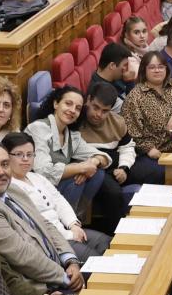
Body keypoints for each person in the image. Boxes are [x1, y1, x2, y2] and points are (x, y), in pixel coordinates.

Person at [0, 141, 87, 294]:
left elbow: (45, 223)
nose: (0, 172)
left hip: (61, 269)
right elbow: (21, 255)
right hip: (42, 288)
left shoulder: (12, 187)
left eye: (5, 164)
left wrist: (70, 260)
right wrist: (65, 278)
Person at [2, 133, 111, 266]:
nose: (26, 159)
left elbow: (59, 200)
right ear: (6, 156)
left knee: (108, 243)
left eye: (30, 154)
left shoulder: (36, 177)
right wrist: (69, 235)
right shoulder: (8, 187)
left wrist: (73, 225)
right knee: (99, 262)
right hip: (50, 244)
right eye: (19, 154)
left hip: (66, 231)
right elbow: (33, 224)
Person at [26, 85, 117, 226]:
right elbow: (43, 171)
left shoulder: (71, 136)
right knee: (76, 180)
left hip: (56, 191)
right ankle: (65, 223)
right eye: (68, 104)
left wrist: (92, 162)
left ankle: (75, 218)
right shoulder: (38, 129)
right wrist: (79, 168)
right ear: (56, 104)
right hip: (36, 192)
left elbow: (104, 158)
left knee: (96, 172)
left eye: (78, 108)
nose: (72, 110)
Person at [80, 81, 159, 194]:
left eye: (105, 111)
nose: (98, 114)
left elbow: (127, 147)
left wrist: (123, 168)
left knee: (158, 171)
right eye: (95, 107)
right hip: (93, 168)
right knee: (113, 192)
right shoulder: (76, 120)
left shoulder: (118, 122)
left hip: (117, 163)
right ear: (88, 100)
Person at [124, 49, 172, 162]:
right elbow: (131, 132)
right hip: (153, 153)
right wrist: (149, 149)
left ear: (166, 68)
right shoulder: (135, 97)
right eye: (152, 67)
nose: (157, 70)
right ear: (144, 70)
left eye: (161, 67)